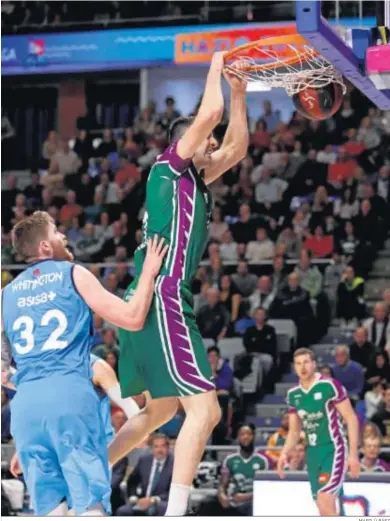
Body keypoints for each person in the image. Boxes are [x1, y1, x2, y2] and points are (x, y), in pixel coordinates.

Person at [108, 53, 249, 516]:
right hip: (162, 296)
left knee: (162, 412)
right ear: (185, 144)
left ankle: (83, 474)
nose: (214, 140)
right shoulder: (168, 169)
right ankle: (177, 513)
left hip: (151, 297)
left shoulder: (194, 181)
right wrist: (215, 65)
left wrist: (241, 92)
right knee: (204, 412)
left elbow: (237, 150)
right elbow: (208, 115)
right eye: (206, 138)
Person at [1, 211, 167, 516]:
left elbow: (1, 372)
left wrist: (32, 386)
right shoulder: (72, 273)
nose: (64, 237)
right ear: (46, 247)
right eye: (57, 232)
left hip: (24, 410)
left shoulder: (5, 294)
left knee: (50, 511)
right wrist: (149, 273)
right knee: (90, 507)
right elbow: (132, 318)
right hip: (68, 395)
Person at [278, 348, 360, 516]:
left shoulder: (329, 385)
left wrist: (353, 456)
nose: (303, 367)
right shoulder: (293, 394)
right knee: (324, 508)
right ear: (294, 367)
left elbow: (351, 418)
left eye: (306, 362)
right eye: (298, 363)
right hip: (312, 453)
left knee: (324, 498)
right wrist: (284, 453)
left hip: (333, 448)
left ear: (314, 364)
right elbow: (294, 431)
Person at [198, 424, 272, 516]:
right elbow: (222, 484)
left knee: (251, 506)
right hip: (233, 501)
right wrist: (222, 496)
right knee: (206, 503)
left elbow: (266, 489)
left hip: (252, 501)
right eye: (242, 434)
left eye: (248, 434)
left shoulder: (263, 460)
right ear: (238, 438)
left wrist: (247, 496)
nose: (245, 437)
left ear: (253, 437)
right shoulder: (230, 460)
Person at [116, 434, 174, 516]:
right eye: (156, 446)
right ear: (151, 448)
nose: (159, 450)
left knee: (160, 509)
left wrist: (153, 500)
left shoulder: (174, 464)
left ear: (168, 448)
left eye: (163, 446)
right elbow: (132, 481)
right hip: (142, 500)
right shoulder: (144, 460)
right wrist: (134, 497)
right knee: (122, 511)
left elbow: (172, 490)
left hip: (161, 502)